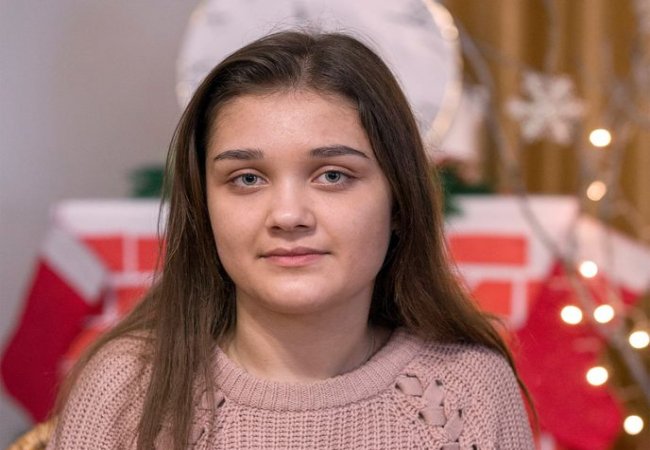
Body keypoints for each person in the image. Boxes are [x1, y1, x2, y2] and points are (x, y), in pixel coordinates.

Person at [47, 30, 535, 449]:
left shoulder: (470, 390)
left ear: (399, 204)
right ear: (203, 208)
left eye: (333, 176)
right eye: (247, 179)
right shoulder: (125, 389)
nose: (287, 216)